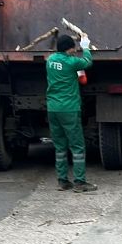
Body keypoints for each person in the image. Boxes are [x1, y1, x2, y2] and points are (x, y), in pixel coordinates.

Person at [46, 33, 96, 192]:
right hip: (69, 108)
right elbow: (87, 62)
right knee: (77, 146)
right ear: (68, 48)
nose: (75, 50)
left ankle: (62, 181)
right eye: (73, 47)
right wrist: (85, 47)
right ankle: (80, 182)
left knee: (60, 146)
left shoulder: (51, 61)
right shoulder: (71, 62)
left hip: (53, 108)